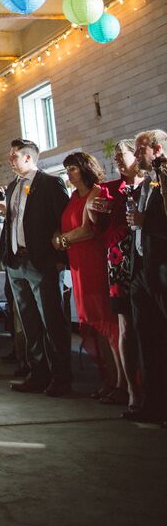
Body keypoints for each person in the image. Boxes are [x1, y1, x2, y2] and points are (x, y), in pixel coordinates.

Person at [0, 138, 71, 396]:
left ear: (28, 158)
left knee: (51, 319)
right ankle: (38, 373)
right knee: (29, 322)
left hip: (42, 261)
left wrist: (61, 259)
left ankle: (61, 377)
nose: (10, 160)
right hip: (16, 262)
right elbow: (12, 223)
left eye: (14, 156)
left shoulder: (50, 183)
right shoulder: (12, 187)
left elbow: (62, 220)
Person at [53, 152, 126, 403]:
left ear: (85, 168)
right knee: (94, 324)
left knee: (108, 323)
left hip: (94, 261)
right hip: (77, 264)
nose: (69, 173)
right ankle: (109, 379)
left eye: (72, 168)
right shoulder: (73, 197)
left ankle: (123, 382)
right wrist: (62, 238)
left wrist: (62, 240)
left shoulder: (97, 192)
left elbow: (87, 230)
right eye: (67, 169)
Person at [124, 129, 167, 425]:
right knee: (147, 339)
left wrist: (145, 220)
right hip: (142, 267)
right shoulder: (146, 182)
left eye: (141, 150)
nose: (138, 155)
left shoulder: (164, 177)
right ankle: (153, 404)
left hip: (163, 265)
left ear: (158, 148)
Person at [99, 138, 142, 409]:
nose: (116, 159)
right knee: (124, 326)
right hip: (119, 264)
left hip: (145, 262)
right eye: (114, 155)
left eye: (121, 154)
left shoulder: (153, 186)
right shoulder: (113, 190)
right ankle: (131, 392)